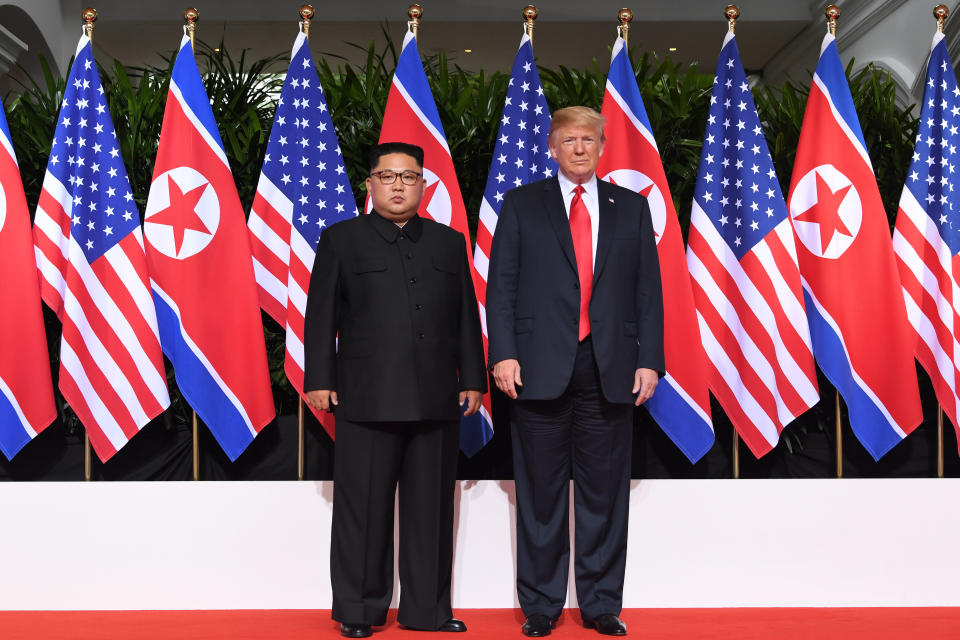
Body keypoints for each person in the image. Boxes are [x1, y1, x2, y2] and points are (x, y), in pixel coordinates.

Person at [486, 106, 664, 637]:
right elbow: (502, 288)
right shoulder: (521, 204)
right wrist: (503, 353)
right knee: (539, 494)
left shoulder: (631, 208)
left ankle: (601, 604)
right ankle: (540, 607)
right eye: (569, 140)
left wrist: (649, 359)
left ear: (602, 146)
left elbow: (648, 293)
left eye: (589, 139)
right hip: (536, 366)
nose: (580, 148)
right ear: (551, 147)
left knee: (603, 494)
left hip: (609, 367)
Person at [303, 142, 487, 639]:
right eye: (388, 177)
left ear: (424, 185)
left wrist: (474, 377)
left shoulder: (449, 243)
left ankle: (427, 610)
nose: (399, 185)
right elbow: (320, 317)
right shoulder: (341, 239)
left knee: (431, 509)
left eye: (409, 177)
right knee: (363, 509)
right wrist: (319, 379)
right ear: (370, 184)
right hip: (365, 395)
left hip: (436, 397)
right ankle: (359, 611)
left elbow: (466, 315)